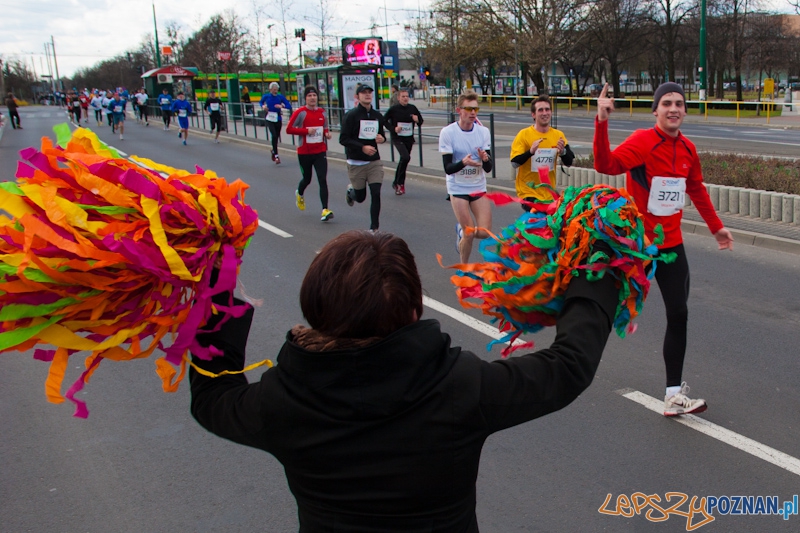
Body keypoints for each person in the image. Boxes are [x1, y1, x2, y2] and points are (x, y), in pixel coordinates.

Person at [190, 230, 622, 532]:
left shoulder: (282, 402)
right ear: (414, 309)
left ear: (315, 309)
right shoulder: (460, 386)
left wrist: (216, 292)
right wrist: (596, 264)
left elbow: (212, 398)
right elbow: (569, 367)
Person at [593, 82, 734, 417]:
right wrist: (601, 120)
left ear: (685, 111)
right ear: (655, 110)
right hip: (637, 246)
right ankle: (573, 356)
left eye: (680, 104)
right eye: (667, 103)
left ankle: (673, 395)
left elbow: (696, 188)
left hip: (670, 247)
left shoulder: (687, 149)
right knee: (604, 305)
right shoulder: (643, 141)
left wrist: (717, 227)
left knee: (679, 313)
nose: (674, 109)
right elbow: (606, 165)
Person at [438, 90, 493, 263]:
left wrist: (485, 159)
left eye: (475, 109)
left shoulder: (483, 132)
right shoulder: (448, 133)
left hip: (477, 185)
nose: (472, 113)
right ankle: (463, 269)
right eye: (468, 109)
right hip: (458, 186)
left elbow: (489, 168)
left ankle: (461, 232)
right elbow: (448, 168)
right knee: (469, 232)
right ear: (459, 110)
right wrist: (463, 163)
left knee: (484, 232)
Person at [510, 95, 575, 211]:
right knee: (538, 221)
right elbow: (514, 163)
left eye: (547, 109)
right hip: (529, 192)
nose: (545, 113)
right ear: (533, 114)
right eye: (540, 110)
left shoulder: (558, 135)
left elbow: (569, 162)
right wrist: (530, 152)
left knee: (548, 226)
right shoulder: (524, 135)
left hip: (549, 193)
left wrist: (563, 152)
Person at [339, 84, 386, 232]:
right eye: (363, 93)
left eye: (369, 92)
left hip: (374, 162)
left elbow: (382, 135)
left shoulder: (377, 115)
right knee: (360, 197)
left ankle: (374, 229)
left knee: (376, 193)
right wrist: (362, 147)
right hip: (356, 162)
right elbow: (343, 139)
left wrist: (382, 139)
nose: (367, 95)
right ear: (357, 96)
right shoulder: (351, 115)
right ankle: (351, 192)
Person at [286, 86, 334, 222]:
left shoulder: (322, 112)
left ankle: (325, 209)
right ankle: (299, 193)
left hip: (320, 151)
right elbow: (289, 129)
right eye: (309, 96)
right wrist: (306, 131)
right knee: (307, 179)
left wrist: (327, 134)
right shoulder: (301, 112)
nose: (312, 98)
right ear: (305, 98)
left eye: (314, 95)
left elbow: (324, 127)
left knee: (322, 179)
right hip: (305, 152)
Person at [384, 87, 424, 195]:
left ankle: (397, 182)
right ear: (398, 98)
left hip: (408, 138)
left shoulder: (412, 108)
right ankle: (400, 183)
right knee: (406, 157)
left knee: (404, 160)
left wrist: (417, 120)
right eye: (403, 97)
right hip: (397, 137)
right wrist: (393, 128)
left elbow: (420, 122)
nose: (405, 98)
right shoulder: (394, 109)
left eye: (407, 96)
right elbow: (384, 121)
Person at [260, 82, 292, 164]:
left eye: (276, 89)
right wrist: (263, 106)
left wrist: (282, 106)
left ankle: (273, 150)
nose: (275, 91)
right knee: (273, 135)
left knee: (276, 136)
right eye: (274, 90)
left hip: (278, 118)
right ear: (270, 89)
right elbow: (260, 102)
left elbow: (289, 105)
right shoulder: (266, 96)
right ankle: (276, 155)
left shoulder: (280, 97)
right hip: (269, 117)